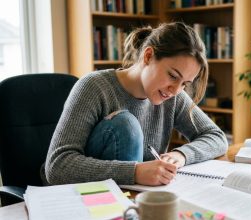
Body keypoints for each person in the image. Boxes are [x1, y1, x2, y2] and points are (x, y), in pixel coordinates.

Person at [42, 22, 228, 186]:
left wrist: (181, 155)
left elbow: (216, 137)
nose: (175, 90)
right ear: (148, 56)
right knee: (126, 124)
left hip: (133, 196)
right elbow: (57, 166)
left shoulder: (173, 96)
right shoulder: (94, 86)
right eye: (172, 76)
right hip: (78, 196)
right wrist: (136, 172)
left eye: (185, 84)